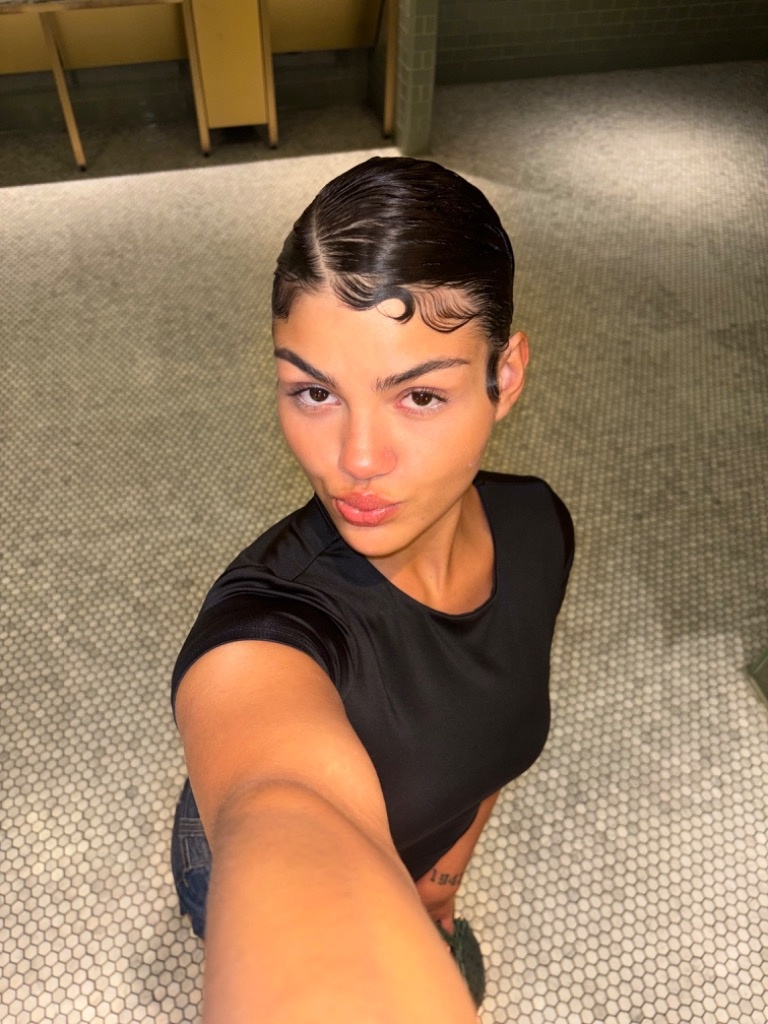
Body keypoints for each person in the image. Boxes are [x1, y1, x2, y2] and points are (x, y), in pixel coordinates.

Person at [170, 156, 574, 1022]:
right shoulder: (265, 633)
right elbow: (279, 797)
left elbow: (488, 744)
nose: (356, 459)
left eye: (419, 396)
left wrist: (438, 888)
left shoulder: (538, 527)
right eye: (314, 391)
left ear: (505, 377)